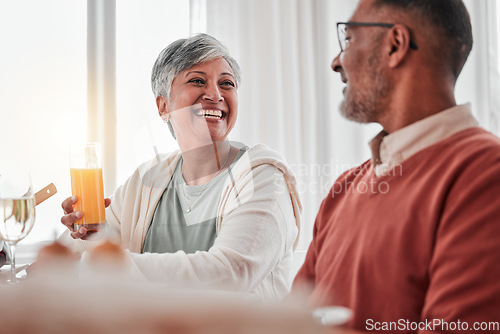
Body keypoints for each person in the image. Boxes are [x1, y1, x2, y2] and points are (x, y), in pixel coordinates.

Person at [292, 0, 500, 332]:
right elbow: (292, 321)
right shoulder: (343, 190)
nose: (336, 62)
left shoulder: (485, 173)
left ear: (395, 45)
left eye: (348, 40)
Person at [60, 34, 301, 300]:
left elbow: (231, 274)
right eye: (198, 80)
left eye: (227, 83)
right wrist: (93, 238)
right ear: (163, 107)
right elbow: (79, 256)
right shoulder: (146, 180)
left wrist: (105, 264)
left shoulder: (263, 175)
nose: (215, 94)